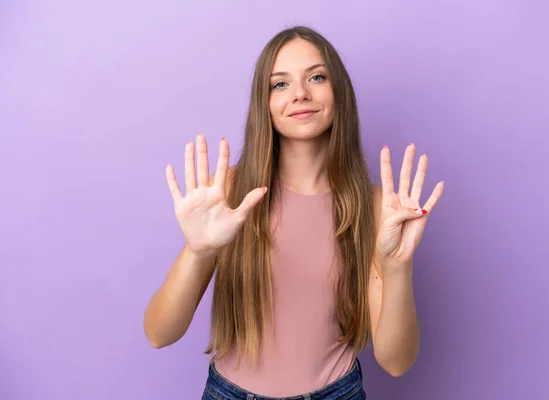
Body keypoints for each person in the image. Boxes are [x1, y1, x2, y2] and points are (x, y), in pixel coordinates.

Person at [143, 25, 444, 400]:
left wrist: (398, 268)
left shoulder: (377, 206)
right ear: (264, 103)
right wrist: (198, 250)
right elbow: (159, 333)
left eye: (316, 77)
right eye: (280, 84)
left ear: (339, 93)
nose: (300, 93)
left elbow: (397, 362)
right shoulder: (232, 192)